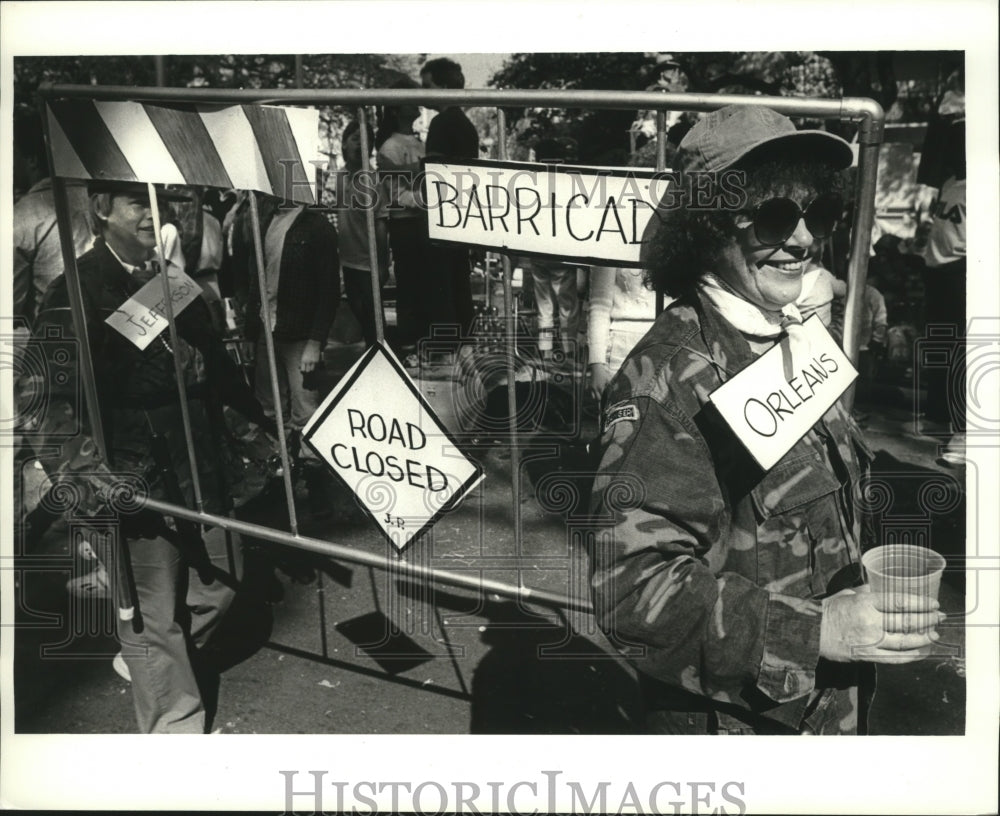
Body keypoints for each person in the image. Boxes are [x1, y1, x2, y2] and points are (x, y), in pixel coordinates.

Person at [588, 106, 944, 735]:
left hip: (825, 714)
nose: (804, 240)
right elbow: (630, 593)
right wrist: (819, 629)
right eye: (775, 216)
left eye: (818, 214)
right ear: (706, 227)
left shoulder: (795, 339)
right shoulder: (664, 386)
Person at [34, 180, 274, 733]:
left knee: (224, 577)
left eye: (156, 202)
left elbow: (216, 371)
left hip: (197, 468)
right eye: (135, 201)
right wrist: (87, 475)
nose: (151, 214)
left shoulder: (174, 283)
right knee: (152, 611)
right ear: (100, 210)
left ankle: (156, 663)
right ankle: (173, 725)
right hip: (128, 476)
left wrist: (260, 427)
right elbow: (42, 398)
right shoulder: (77, 289)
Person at [241, 194, 340, 487]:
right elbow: (255, 283)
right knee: (270, 409)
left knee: (306, 411)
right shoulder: (266, 221)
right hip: (265, 331)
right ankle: (281, 472)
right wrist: (250, 332)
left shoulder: (316, 225)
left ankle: (314, 478)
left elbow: (329, 290)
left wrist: (315, 341)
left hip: (299, 336)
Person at [421, 57, 479, 341]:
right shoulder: (466, 124)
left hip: (443, 217)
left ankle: (446, 347)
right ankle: (462, 346)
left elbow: (434, 178)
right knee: (459, 286)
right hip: (462, 217)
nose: (423, 92)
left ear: (442, 86)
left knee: (442, 288)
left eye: (427, 86)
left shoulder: (442, 123)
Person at [919, 118, 966, 464]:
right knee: (941, 349)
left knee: (963, 354)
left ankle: (966, 433)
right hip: (936, 272)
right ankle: (945, 415)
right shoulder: (951, 183)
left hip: (963, 273)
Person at [376, 79, 427, 367]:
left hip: (425, 225)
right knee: (409, 287)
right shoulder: (390, 147)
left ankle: (422, 342)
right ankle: (408, 346)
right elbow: (398, 195)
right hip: (406, 226)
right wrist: (432, 200)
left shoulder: (420, 142)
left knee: (425, 286)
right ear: (396, 108)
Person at [333, 119, 390, 347]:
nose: (360, 146)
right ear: (344, 144)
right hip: (347, 262)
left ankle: (383, 367)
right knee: (357, 316)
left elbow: (381, 225)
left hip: (368, 265)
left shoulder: (373, 181)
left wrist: (383, 265)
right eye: (355, 139)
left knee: (374, 326)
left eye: (366, 141)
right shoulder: (337, 178)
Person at [586, 266, 661, 402]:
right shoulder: (611, 245)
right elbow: (600, 305)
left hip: (666, 340)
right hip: (620, 350)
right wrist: (597, 363)